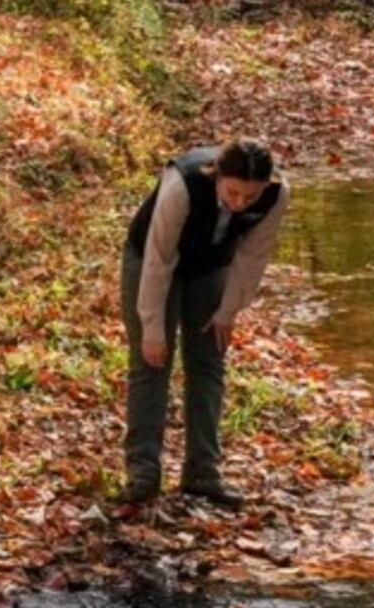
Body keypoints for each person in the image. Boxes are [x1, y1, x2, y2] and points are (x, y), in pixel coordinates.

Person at [120, 138, 285, 506]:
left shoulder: (276, 195)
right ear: (217, 176)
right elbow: (158, 259)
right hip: (150, 260)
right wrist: (152, 327)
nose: (240, 203)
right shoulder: (182, 184)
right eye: (233, 192)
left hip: (211, 266)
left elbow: (252, 258)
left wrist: (228, 311)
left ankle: (202, 472)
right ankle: (143, 473)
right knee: (151, 362)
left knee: (209, 359)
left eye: (250, 197)